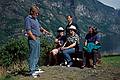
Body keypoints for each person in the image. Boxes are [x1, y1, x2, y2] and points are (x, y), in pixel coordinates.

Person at [24, 5, 51, 78]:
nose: (37, 14)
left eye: (37, 13)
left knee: (37, 54)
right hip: (33, 39)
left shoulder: (35, 19)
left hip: (38, 38)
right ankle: (32, 71)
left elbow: (40, 27)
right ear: (32, 12)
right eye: (36, 13)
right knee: (33, 55)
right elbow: (28, 31)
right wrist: (34, 38)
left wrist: (46, 31)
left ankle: (35, 68)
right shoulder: (28, 19)